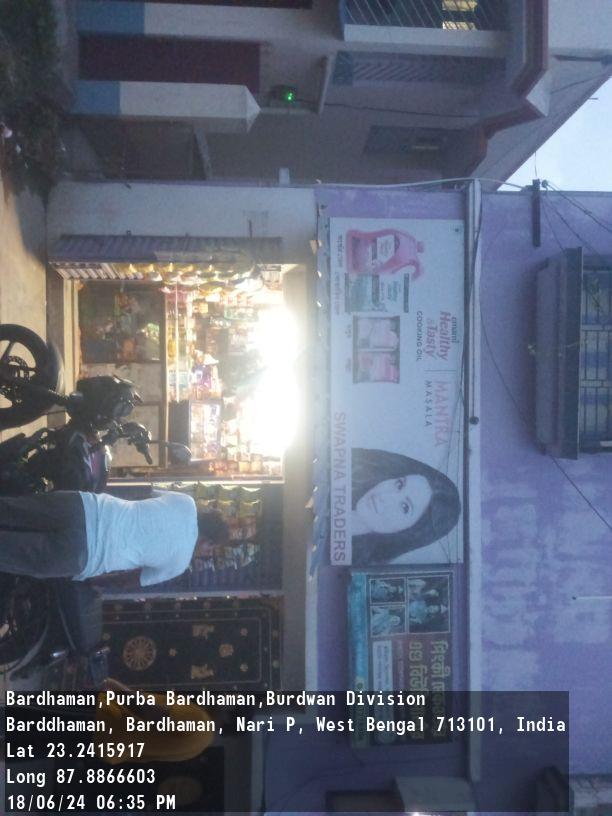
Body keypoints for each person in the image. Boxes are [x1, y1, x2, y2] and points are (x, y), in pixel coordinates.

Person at [0, 491, 228, 585]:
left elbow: (146, 495)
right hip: (86, 555)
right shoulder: (179, 565)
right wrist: (95, 582)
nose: (207, 553)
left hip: (85, 508)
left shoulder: (186, 502)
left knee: (9, 510)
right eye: (211, 550)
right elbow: (130, 581)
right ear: (208, 541)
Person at [351, 448, 461, 566]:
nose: (385, 496)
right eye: (399, 484)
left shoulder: (360, 564)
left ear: (410, 532)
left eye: (405, 507)